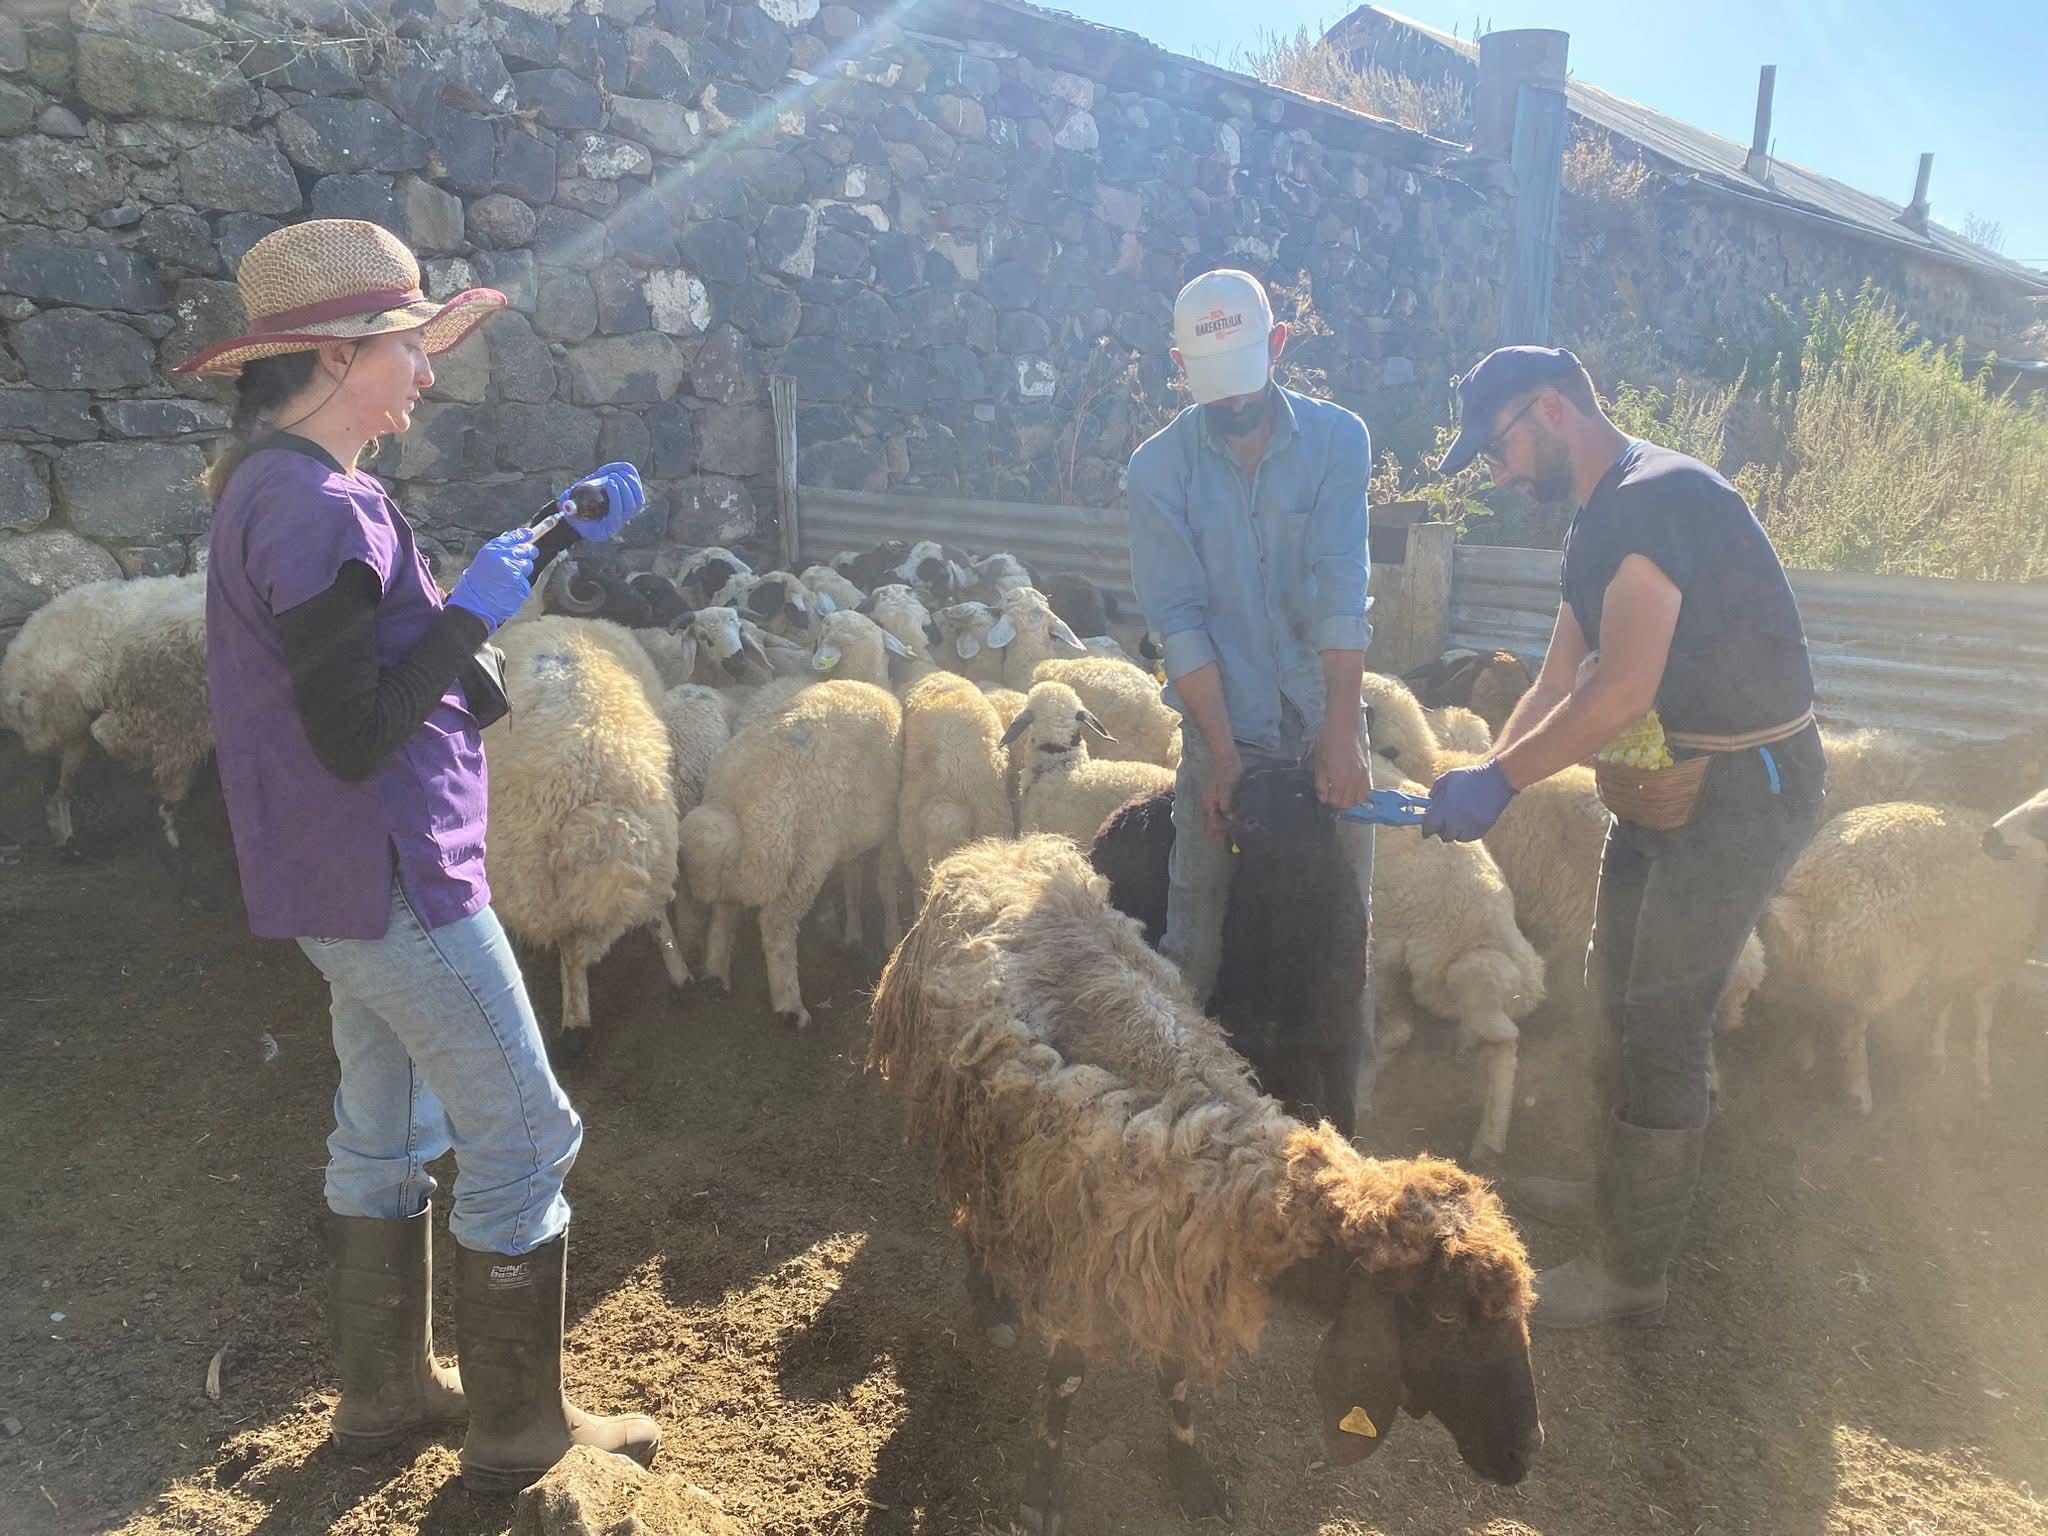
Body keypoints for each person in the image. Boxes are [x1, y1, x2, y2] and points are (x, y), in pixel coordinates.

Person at [175, 219, 659, 1492]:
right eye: (408, 347)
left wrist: (528, 554)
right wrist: (473, 614)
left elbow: (372, 669)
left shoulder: (279, 491)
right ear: (337, 355)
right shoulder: (316, 506)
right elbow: (357, 735)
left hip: (338, 882)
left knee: (385, 1136)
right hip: (394, 874)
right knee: (525, 1136)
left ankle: (384, 1395)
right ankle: (520, 1435)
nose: (427, 375)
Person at [1422, 345, 1826, 1328]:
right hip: (1667, 779)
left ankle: (1629, 1275)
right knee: (1612, 976)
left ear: (1549, 410)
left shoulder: (1654, 500)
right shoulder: (1595, 523)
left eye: (1499, 451)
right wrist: (1480, 774)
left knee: (1664, 1015)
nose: (1500, 474)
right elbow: (1554, 681)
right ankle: (1618, 1192)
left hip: (1746, 786)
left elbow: (1620, 687)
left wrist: (1504, 780)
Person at [1124, 268, 1377, 1089]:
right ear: (1179, 367)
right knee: (1196, 936)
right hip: (1221, 728)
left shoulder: (1339, 442)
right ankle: (1180, 1116)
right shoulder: (1158, 471)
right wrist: (1223, 755)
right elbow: (1181, 619)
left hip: (1320, 721)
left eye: (1246, 380)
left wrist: (1341, 734)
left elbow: (1342, 588)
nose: (1233, 405)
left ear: (1277, 345)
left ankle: (1345, 1138)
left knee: (1342, 934)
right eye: (1212, 388)